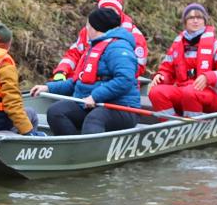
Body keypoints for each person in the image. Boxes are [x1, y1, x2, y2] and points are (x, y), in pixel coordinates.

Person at [29, 7, 140, 135]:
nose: (86, 29)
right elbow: (78, 81)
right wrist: (48, 88)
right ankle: (71, 149)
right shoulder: (94, 47)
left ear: (96, 28)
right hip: (92, 103)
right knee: (56, 111)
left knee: (94, 119)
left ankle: (92, 153)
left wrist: (95, 96)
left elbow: (125, 79)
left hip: (121, 107)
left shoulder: (119, 48)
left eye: (88, 25)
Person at [148, 3, 217, 117]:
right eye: (191, 18)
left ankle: (192, 127)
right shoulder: (177, 46)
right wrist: (160, 76)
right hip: (184, 91)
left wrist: (208, 77)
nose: (195, 21)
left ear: (204, 21)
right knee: (156, 92)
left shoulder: (216, 45)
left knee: (190, 92)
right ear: (185, 22)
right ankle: (172, 126)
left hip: (212, 95)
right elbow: (167, 70)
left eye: (199, 17)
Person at [52, 0, 149, 80]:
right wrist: (61, 71)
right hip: (86, 77)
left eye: (112, 11)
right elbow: (74, 53)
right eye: (104, 10)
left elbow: (137, 68)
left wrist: (101, 75)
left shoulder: (135, 36)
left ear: (119, 13)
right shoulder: (89, 30)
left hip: (114, 82)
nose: (107, 14)